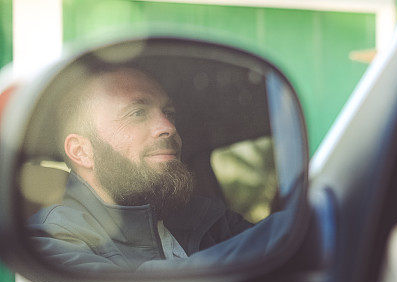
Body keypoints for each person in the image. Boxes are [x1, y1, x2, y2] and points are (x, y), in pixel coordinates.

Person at [29, 66, 255, 271]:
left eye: (169, 114)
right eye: (137, 113)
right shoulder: (51, 241)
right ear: (81, 151)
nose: (168, 127)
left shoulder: (207, 217)